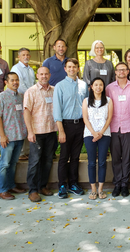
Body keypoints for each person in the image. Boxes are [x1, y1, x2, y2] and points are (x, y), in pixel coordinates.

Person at [53, 58, 89, 198]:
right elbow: (57, 110)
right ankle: (62, 185)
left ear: (78, 68)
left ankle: (73, 183)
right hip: (66, 125)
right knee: (64, 157)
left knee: (75, 157)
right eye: (69, 67)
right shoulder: (60, 86)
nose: (72, 69)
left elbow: (86, 105)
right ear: (65, 69)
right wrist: (60, 130)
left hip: (80, 124)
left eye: (74, 66)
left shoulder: (83, 85)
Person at [24, 67, 58, 203]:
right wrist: (30, 131)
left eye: (46, 74)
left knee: (48, 160)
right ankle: (32, 190)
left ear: (49, 75)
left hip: (51, 131)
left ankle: (42, 186)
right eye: (41, 74)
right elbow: (26, 112)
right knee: (34, 161)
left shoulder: (54, 90)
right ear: (37, 75)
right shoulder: (31, 91)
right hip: (37, 132)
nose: (44, 76)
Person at [0, 72, 27, 200]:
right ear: (6, 82)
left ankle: (11, 185)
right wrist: (2, 135)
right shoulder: (1, 97)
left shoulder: (21, 97)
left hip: (19, 135)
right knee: (4, 164)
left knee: (13, 163)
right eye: (12, 80)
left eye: (17, 80)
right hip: (8, 137)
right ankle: (2, 190)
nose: (15, 82)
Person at [106, 62, 130, 198]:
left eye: (124, 70)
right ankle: (117, 184)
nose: (121, 72)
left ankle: (125, 184)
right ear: (116, 72)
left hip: (129, 126)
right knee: (115, 158)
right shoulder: (109, 88)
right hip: (113, 127)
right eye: (119, 70)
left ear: (127, 72)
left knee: (126, 158)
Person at [82, 77, 113, 200]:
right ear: (91, 87)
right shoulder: (86, 101)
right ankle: (93, 189)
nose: (98, 87)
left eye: (101, 85)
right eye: (96, 85)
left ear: (103, 87)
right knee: (91, 162)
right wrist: (94, 133)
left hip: (105, 134)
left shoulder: (109, 101)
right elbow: (85, 118)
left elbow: (109, 118)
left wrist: (100, 132)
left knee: (102, 162)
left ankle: (101, 188)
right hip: (89, 134)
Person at [11, 47, 36, 160]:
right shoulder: (16, 68)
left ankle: (28, 150)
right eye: (23, 55)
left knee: (30, 124)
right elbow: (19, 85)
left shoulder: (30, 69)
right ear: (19, 57)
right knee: (22, 123)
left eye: (27, 55)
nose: (26, 57)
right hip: (21, 99)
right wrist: (32, 95)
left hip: (31, 99)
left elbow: (34, 83)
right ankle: (21, 152)